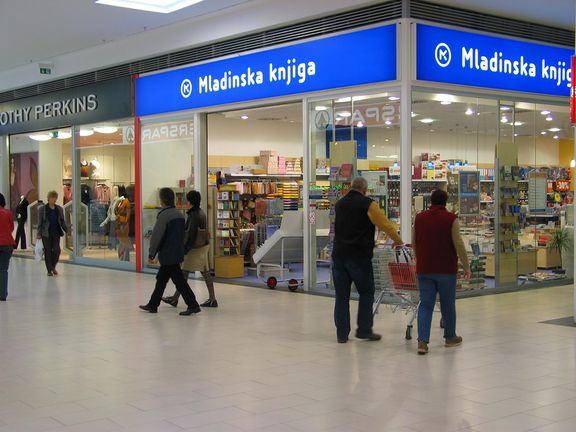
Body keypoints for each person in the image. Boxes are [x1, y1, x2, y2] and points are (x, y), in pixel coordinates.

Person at [332, 176, 403, 343]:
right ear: (364, 190)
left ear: (351, 187)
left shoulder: (339, 204)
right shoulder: (369, 204)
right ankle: (364, 330)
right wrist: (398, 241)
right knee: (366, 292)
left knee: (341, 296)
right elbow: (386, 225)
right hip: (358, 257)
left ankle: (342, 334)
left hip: (339, 255)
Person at [412, 189, 471, 355]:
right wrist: (466, 266)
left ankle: (422, 342)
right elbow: (458, 243)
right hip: (446, 270)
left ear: (431, 201)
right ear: (446, 202)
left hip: (424, 269)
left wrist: (419, 258)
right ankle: (450, 337)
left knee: (425, 305)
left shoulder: (419, 218)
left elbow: (415, 241)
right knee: (447, 304)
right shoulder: (451, 219)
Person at [139, 188, 201, 316]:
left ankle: (193, 304)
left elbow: (157, 236)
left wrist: (152, 253)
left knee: (179, 281)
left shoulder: (163, 215)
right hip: (176, 252)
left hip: (168, 254)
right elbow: (184, 235)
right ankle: (153, 304)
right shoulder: (179, 214)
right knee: (161, 279)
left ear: (162, 200)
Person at [162, 190, 218, 308]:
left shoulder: (193, 215)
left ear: (189, 201)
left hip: (195, 248)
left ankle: (175, 298)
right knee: (202, 272)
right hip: (203, 245)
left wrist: (184, 249)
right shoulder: (201, 212)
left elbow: (191, 235)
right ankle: (212, 299)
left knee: (184, 272)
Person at [37, 191, 67, 276]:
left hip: (56, 233)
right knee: (48, 251)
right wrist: (39, 233)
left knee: (57, 250)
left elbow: (62, 221)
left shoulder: (59, 209)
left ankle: (53, 266)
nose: (54, 199)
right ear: (48, 198)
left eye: (55, 197)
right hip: (46, 233)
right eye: (52, 197)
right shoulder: (42, 209)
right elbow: (40, 222)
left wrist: (67, 231)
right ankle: (49, 270)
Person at [0, 193, 16, 301]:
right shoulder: (8, 213)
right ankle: (3, 295)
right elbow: (11, 228)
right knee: (3, 270)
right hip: (7, 244)